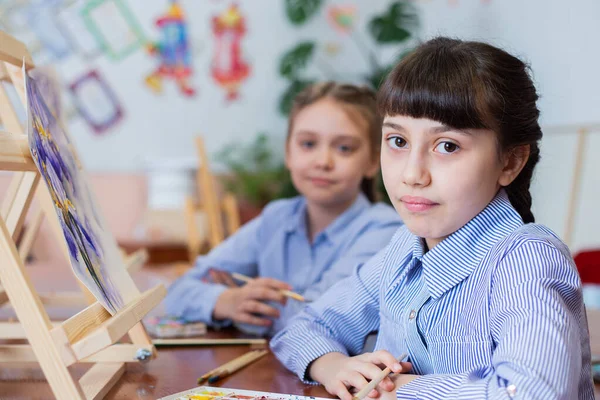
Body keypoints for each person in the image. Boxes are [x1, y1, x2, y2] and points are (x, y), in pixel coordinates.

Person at [271, 37, 594, 399]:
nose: (412, 174)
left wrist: (402, 389)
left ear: (510, 161)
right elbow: (304, 325)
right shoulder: (402, 250)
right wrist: (334, 366)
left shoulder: (525, 260)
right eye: (397, 141)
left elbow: (531, 393)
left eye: (447, 146)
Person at [164, 82, 402, 336]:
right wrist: (226, 301)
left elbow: (320, 320)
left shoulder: (385, 230)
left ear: (373, 161)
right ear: (288, 152)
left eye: (344, 148)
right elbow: (179, 290)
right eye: (308, 144)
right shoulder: (276, 218)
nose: (323, 162)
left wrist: (243, 305)